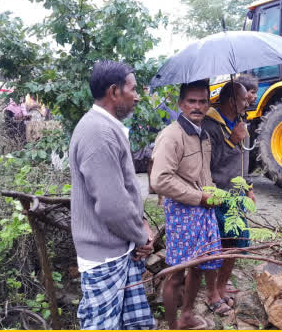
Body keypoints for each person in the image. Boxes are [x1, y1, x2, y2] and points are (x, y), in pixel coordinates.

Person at [69, 61, 155, 330]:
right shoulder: (98, 133)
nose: (138, 96)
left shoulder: (105, 127)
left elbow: (122, 192)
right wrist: (141, 237)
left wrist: (139, 225)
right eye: (133, 89)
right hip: (105, 255)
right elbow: (112, 206)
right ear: (114, 92)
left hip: (116, 248)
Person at [150, 80, 223, 327]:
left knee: (198, 265)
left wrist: (211, 191)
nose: (197, 106)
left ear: (208, 104)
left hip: (203, 208)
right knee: (176, 273)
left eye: (203, 101)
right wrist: (198, 197)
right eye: (191, 101)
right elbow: (160, 179)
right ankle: (173, 326)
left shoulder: (202, 134)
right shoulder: (171, 136)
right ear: (180, 104)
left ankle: (187, 316)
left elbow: (203, 173)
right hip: (183, 212)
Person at [203, 80, 257, 310]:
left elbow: (242, 161)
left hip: (237, 195)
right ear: (231, 101)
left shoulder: (239, 122)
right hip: (218, 196)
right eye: (244, 99)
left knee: (236, 243)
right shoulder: (209, 126)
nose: (248, 102)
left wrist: (248, 188)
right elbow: (208, 164)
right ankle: (212, 293)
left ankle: (223, 286)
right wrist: (232, 140)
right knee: (218, 246)